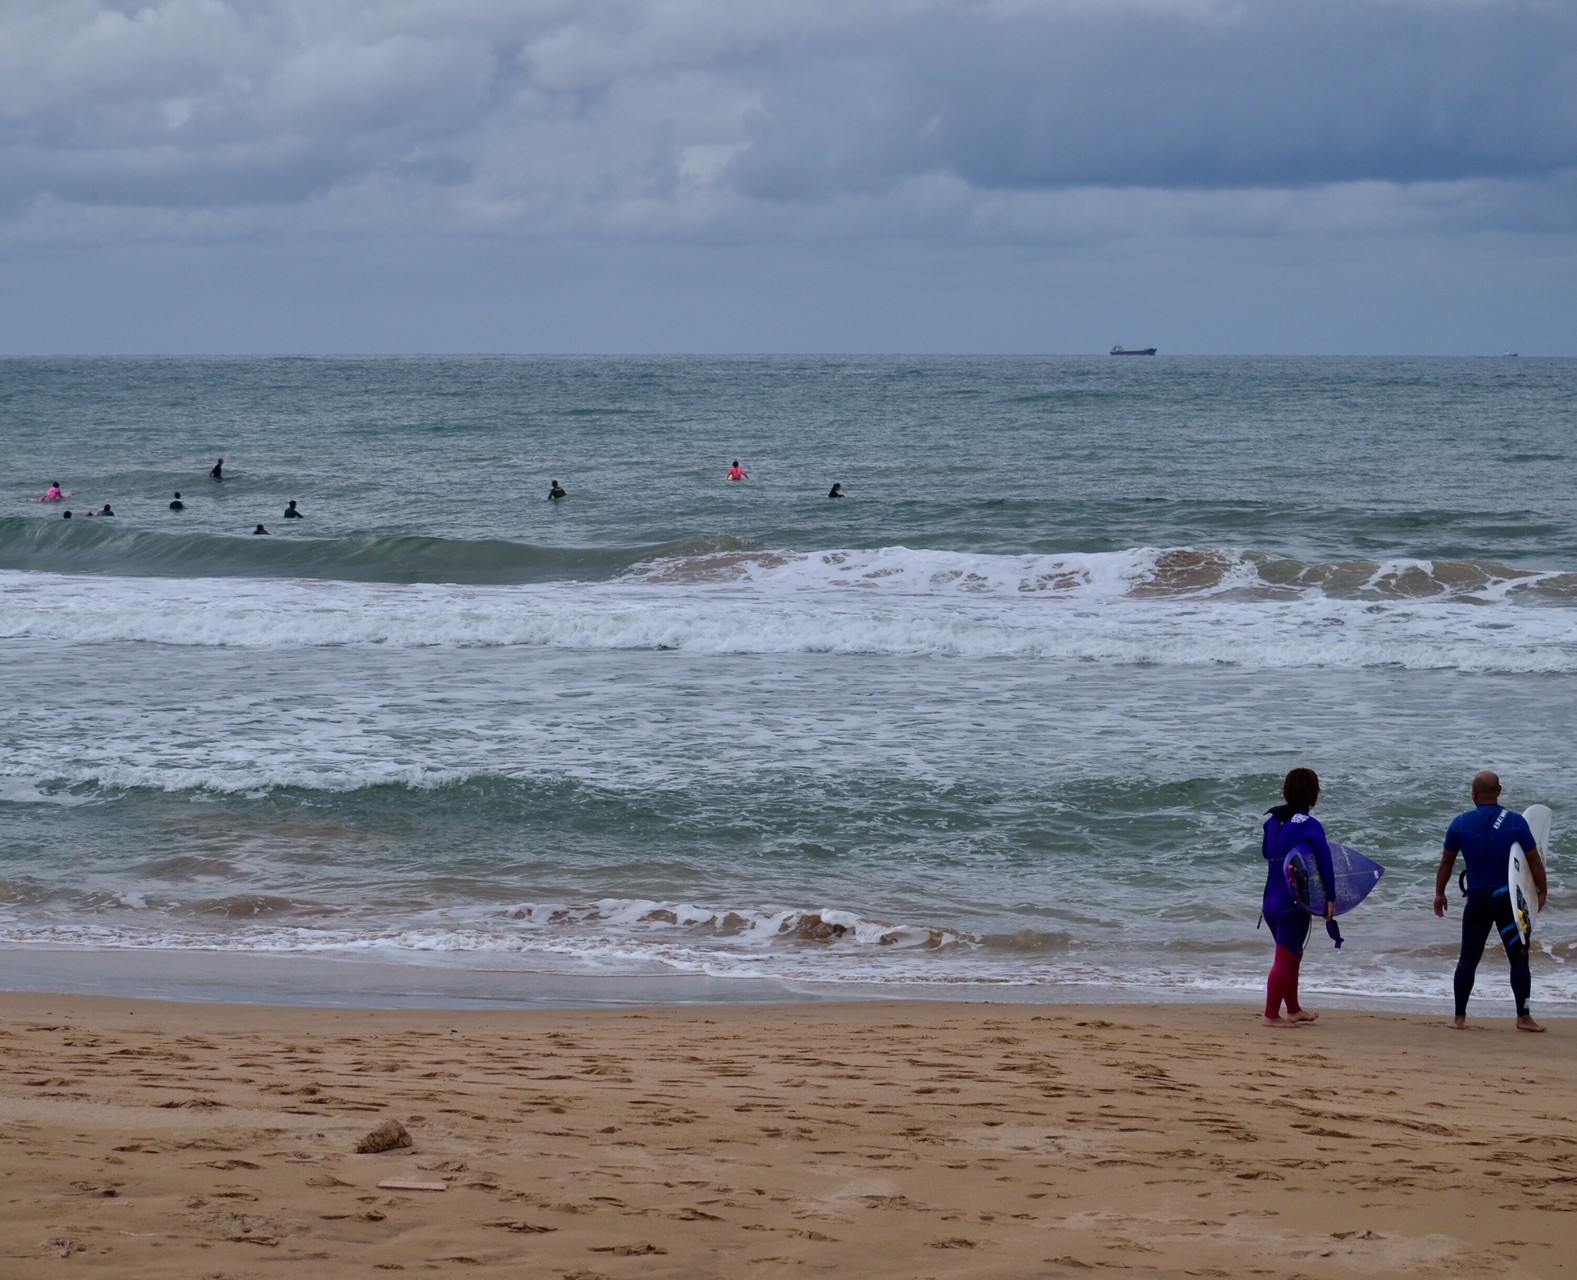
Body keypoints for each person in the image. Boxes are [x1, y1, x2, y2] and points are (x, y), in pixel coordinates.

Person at [1433, 771, 1547, 1032]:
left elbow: (1446, 863)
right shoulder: (1516, 822)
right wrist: (1541, 891)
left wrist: (1439, 893)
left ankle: (1459, 1018)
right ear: (1500, 791)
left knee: (1468, 959)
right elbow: (1534, 860)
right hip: (1506, 900)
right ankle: (1523, 1017)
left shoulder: (1460, 823)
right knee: (1519, 958)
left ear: (1473, 793)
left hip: (1477, 901)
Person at [1260, 767, 1335, 1027]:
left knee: (1293, 954)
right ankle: (1271, 1016)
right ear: (1313, 794)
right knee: (1284, 958)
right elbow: (1325, 864)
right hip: (1292, 903)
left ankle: (1293, 1009)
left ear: (1286, 791)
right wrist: (1331, 898)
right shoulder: (1312, 826)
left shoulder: (1271, 821)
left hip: (1270, 902)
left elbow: (1266, 854)